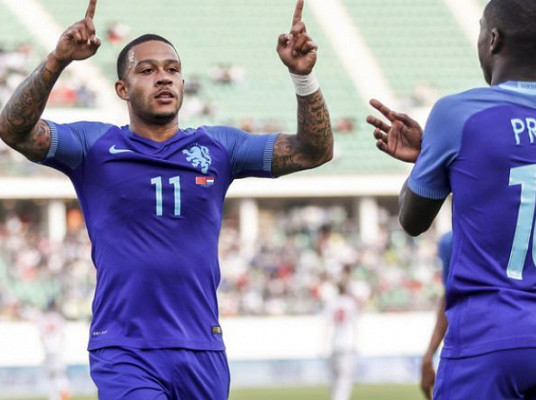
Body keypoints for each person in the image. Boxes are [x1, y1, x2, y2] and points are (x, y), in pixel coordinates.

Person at [0, 0, 333, 398]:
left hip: (202, 348)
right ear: (122, 89)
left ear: (183, 84)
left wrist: (303, 77)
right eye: (147, 70)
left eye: (172, 70)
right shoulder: (94, 146)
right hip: (125, 349)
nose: (163, 78)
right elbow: (15, 130)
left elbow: (314, 151)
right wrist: (58, 59)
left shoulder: (218, 148)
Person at [366, 1, 536, 399]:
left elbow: (412, 219)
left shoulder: (458, 114)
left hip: (491, 336)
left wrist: (430, 158)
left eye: (481, 30)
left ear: (493, 39)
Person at [420, 231, 451, 400]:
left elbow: (451, 296)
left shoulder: (451, 240)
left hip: (479, 347)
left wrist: (429, 354)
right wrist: (429, 355)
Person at [324, 281, 360, 400]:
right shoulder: (351, 303)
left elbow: (327, 323)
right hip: (348, 344)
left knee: (334, 377)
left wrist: (324, 343)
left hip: (334, 343)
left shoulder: (332, 302)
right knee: (345, 378)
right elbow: (355, 324)